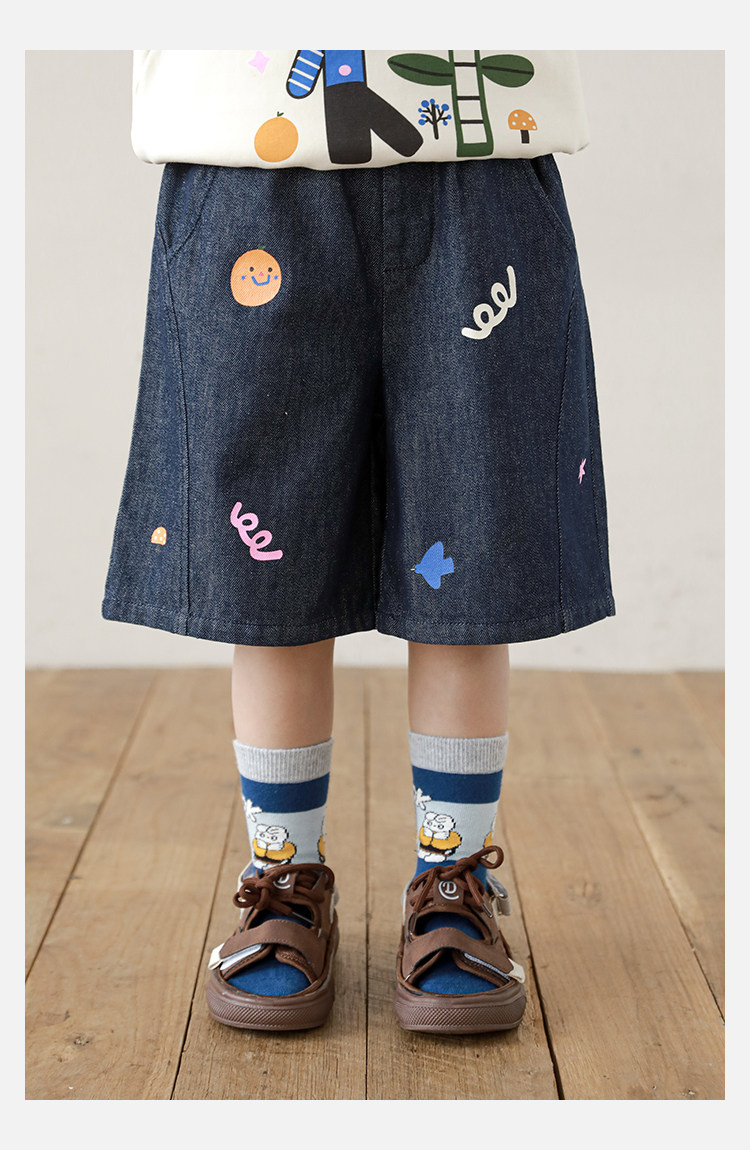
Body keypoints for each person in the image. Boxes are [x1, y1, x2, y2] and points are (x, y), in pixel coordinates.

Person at [102, 49, 615, 1035]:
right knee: (270, 570)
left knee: (466, 560)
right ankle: (285, 880)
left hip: (479, 161)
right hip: (248, 161)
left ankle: (452, 881)